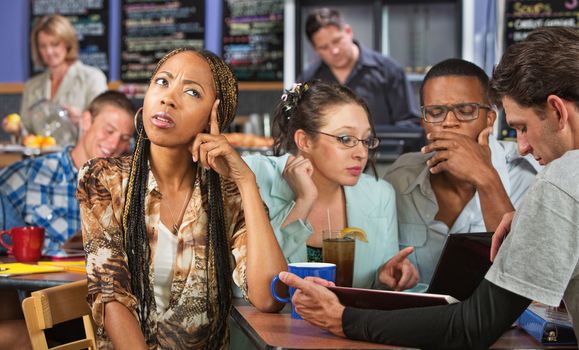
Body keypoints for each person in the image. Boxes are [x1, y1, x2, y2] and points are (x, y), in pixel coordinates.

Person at [276, 26, 579, 348]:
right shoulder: (397, 181)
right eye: (435, 112)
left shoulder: (560, 178)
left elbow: (474, 325)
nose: (522, 147)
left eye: (522, 128)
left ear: (557, 111)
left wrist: (343, 319)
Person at [77, 48, 287, 349]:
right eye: (162, 82)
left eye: (191, 92)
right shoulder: (103, 179)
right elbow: (112, 296)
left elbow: (269, 296)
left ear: (214, 117)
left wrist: (246, 182)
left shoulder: (226, 196)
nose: (168, 98)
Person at [243, 81, 418, 291]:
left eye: (366, 140)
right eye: (345, 139)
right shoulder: (257, 177)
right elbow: (249, 287)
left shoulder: (380, 195)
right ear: (305, 141)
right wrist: (304, 201)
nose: (361, 153)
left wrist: (384, 279)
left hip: (348, 323)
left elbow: (373, 295)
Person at [384, 58, 540, 286]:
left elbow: (525, 275)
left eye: (465, 111)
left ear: (490, 119)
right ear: (423, 122)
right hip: (420, 319)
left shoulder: (530, 176)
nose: (448, 123)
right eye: (435, 112)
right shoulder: (400, 179)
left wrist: (485, 177)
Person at [0, 90, 135, 256]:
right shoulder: (30, 175)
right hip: (40, 281)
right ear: (86, 121)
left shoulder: (127, 188)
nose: (114, 144)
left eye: (124, 138)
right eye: (109, 131)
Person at [298, 8, 419, 126]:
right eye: (324, 47)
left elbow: (408, 124)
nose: (334, 51)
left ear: (348, 31)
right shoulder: (308, 81)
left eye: (337, 41)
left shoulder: (389, 71)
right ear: (315, 50)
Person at [2, 15, 107, 146]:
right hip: (39, 162)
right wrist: (17, 130)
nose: (49, 52)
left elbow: (104, 128)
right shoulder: (31, 86)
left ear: (68, 44)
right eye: (43, 46)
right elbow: (27, 135)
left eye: (54, 44)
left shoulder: (92, 78)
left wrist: (81, 119)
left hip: (77, 162)